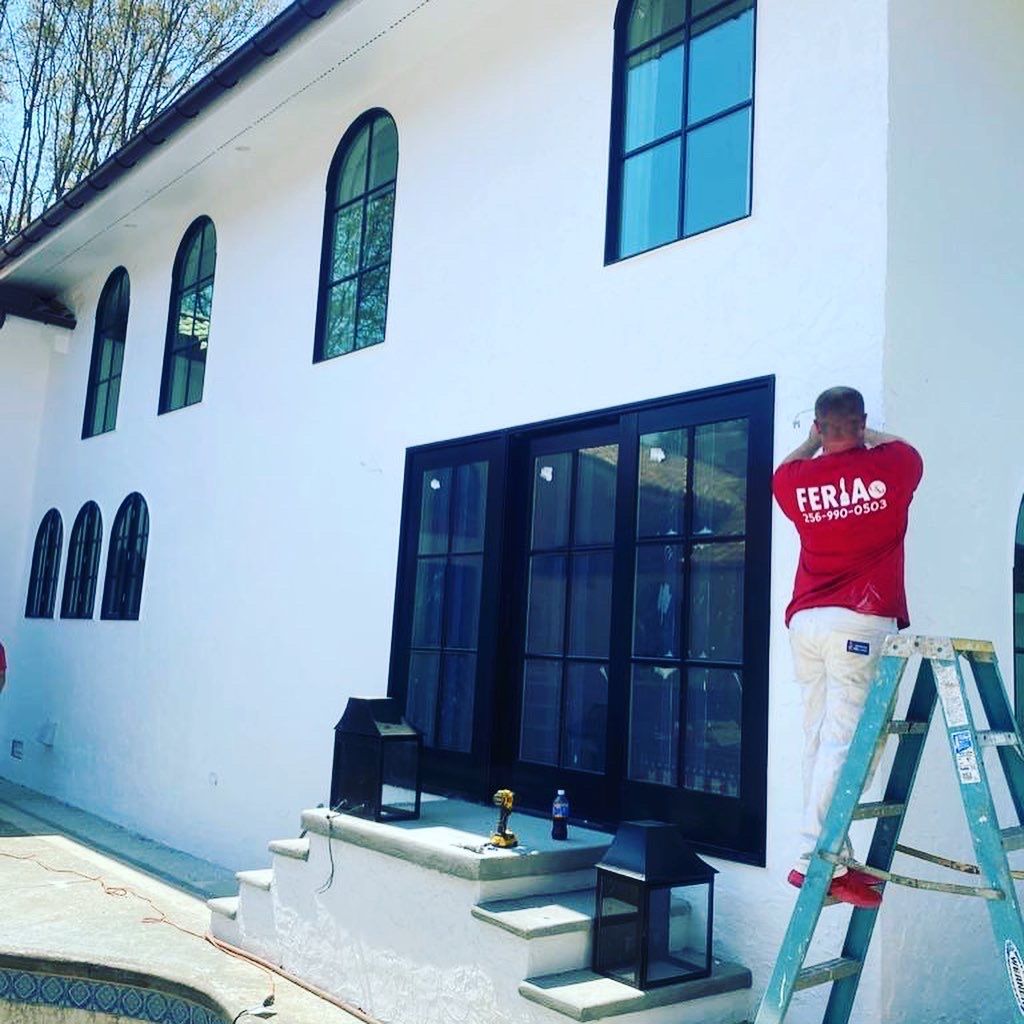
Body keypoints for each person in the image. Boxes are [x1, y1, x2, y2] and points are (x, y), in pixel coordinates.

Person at [773, 386, 923, 908]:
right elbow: (899, 445)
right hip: (860, 620)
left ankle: (828, 853)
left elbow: (785, 464)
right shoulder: (896, 465)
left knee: (819, 739)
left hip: (807, 622)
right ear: (860, 423)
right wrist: (863, 434)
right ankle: (816, 858)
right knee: (851, 739)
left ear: (817, 427)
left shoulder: (794, 480)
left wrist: (815, 442)